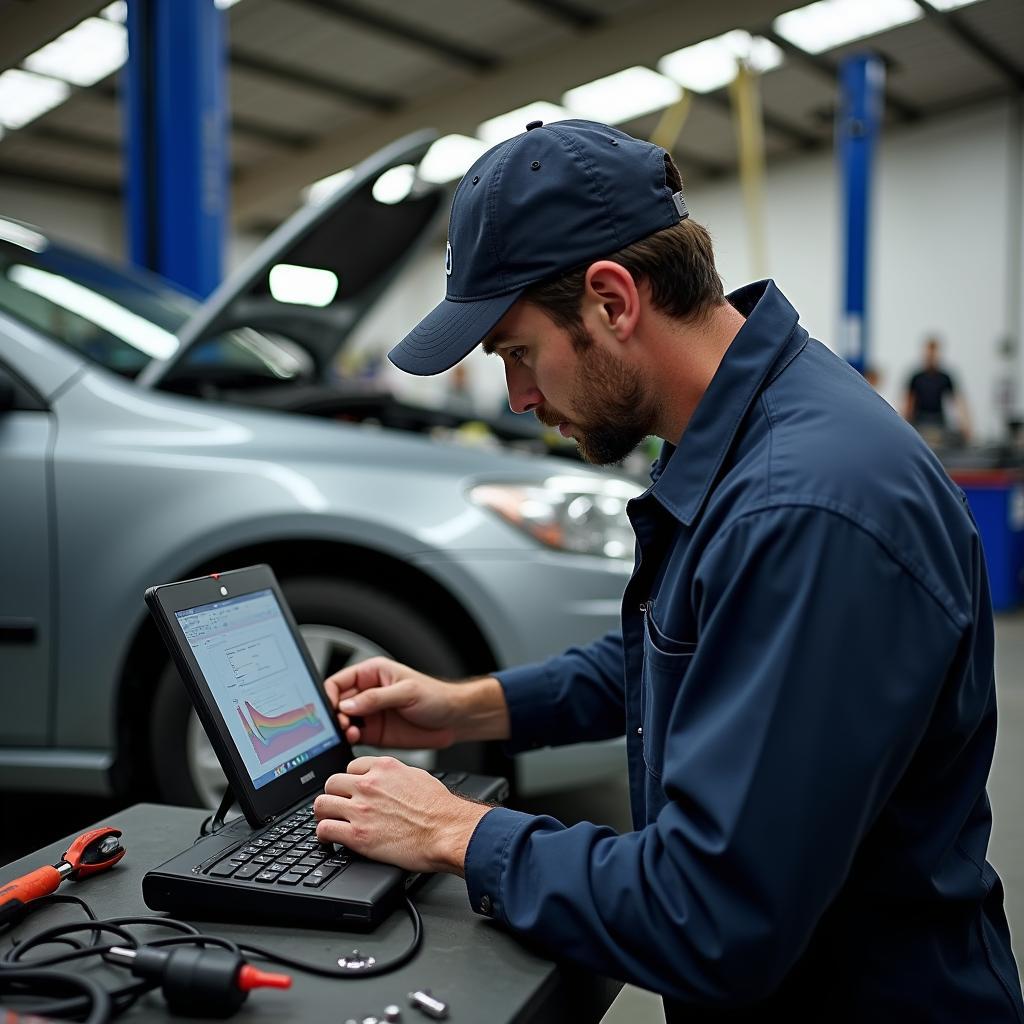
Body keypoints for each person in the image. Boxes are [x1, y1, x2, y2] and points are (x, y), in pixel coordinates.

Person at [311, 120, 1023, 1021]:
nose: (520, 399)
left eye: (518, 353)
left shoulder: (804, 510)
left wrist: (457, 830)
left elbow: (709, 914)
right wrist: (469, 704)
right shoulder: (746, 433)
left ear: (612, 300)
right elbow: (688, 654)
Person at [903, 335, 972, 443]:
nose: (931, 356)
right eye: (928, 352)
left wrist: (966, 425)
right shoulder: (916, 377)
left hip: (938, 420)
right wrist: (904, 425)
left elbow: (957, 402)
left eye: (934, 352)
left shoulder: (945, 377)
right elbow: (908, 403)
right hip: (920, 420)